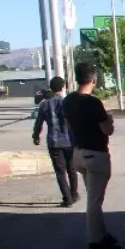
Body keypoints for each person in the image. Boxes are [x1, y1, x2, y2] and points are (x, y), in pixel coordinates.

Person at [63, 63, 119, 249]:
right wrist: (109, 119)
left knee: (93, 197)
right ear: (93, 79)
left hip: (78, 154)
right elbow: (107, 130)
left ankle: (102, 233)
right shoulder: (93, 103)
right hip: (95, 155)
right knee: (94, 201)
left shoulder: (68, 100)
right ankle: (96, 239)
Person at [32, 76, 80, 206]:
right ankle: (74, 195)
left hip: (54, 142)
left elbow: (39, 122)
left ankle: (67, 199)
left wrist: (35, 135)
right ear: (64, 87)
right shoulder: (67, 103)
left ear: (51, 88)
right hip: (69, 141)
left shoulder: (45, 104)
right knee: (72, 169)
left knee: (60, 172)